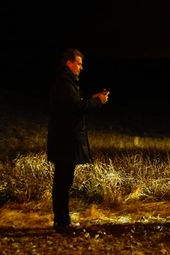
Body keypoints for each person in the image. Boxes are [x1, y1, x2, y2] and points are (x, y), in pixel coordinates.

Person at [46, 48, 109, 233]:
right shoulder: (65, 82)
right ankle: (62, 222)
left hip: (63, 140)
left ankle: (62, 220)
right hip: (65, 141)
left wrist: (92, 99)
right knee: (63, 183)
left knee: (63, 182)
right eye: (79, 63)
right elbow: (75, 107)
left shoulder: (66, 82)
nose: (81, 68)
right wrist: (97, 102)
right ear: (69, 63)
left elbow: (74, 105)